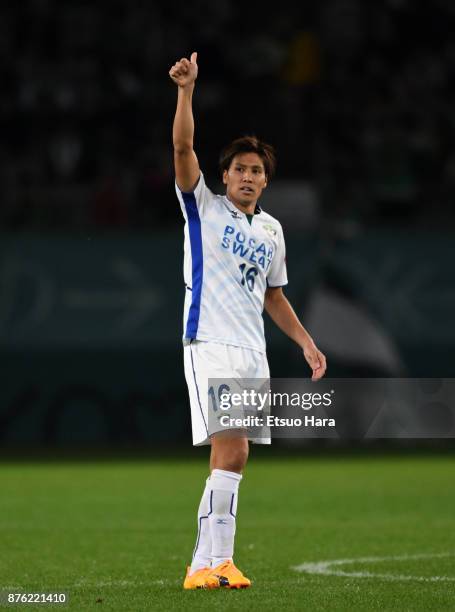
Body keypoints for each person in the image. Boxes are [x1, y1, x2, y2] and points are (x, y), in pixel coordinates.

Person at [169, 51, 327, 590]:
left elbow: (274, 296)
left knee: (232, 458)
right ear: (225, 175)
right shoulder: (203, 208)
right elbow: (182, 146)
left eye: (257, 170)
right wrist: (187, 92)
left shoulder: (272, 232)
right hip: (208, 340)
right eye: (240, 168)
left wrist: (306, 343)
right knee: (231, 448)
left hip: (251, 350)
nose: (248, 176)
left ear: (265, 180)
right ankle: (217, 562)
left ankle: (205, 566)